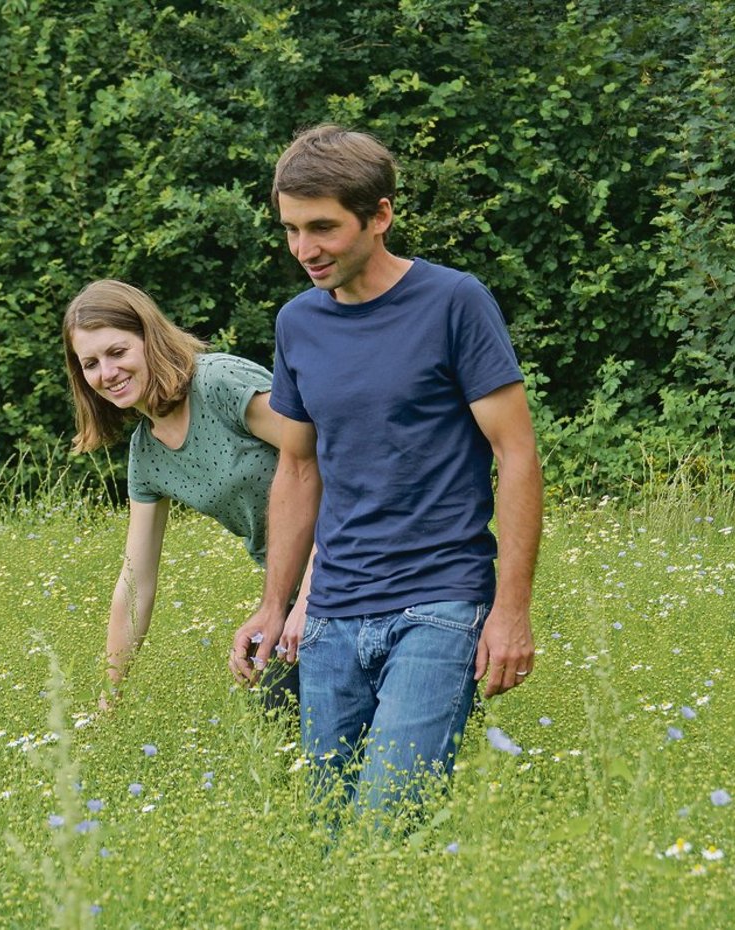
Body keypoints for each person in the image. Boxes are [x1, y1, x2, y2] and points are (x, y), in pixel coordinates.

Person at [230, 125, 543, 814]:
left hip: (439, 602)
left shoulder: (454, 303)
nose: (303, 250)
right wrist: (274, 603)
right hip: (334, 613)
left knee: (389, 817)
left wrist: (511, 610)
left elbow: (517, 454)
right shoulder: (297, 324)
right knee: (324, 820)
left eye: (322, 228)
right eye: (289, 229)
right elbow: (298, 469)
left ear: (380, 216)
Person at [63, 279, 310, 708]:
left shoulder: (219, 383)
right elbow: (135, 581)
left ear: (149, 338)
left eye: (117, 352)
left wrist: (312, 597)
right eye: (90, 363)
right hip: (290, 595)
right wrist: (109, 699)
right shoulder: (147, 453)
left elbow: (336, 465)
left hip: (359, 558)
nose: (106, 373)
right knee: (281, 723)